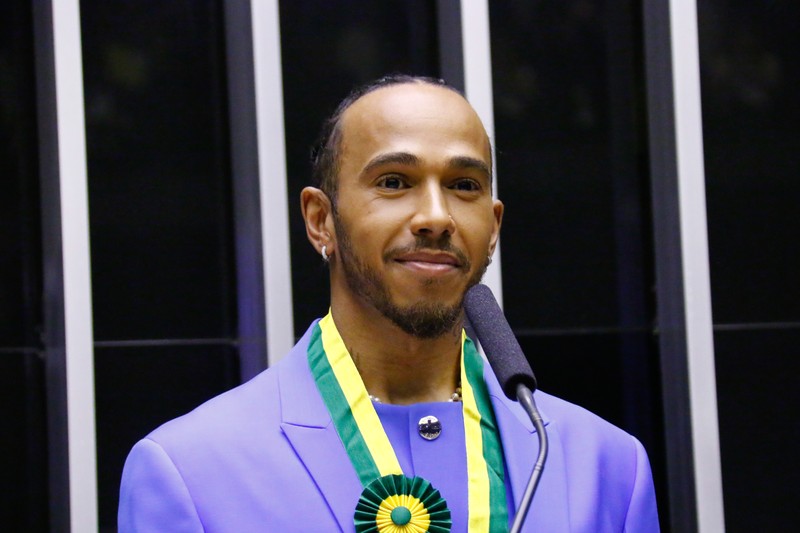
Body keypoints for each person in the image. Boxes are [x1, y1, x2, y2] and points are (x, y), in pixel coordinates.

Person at [118, 75, 659, 532]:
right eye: (395, 181)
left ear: (493, 228)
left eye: (463, 185)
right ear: (319, 220)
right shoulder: (191, 472)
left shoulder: (608, 467)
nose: (436, 216)